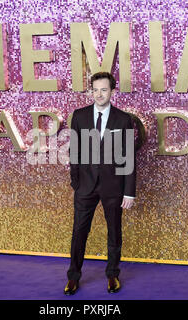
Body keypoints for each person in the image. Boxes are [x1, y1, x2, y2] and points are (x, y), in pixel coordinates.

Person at [64, 72, 136, 295]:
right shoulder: (80, 115)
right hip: (85, 186)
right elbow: (74, 150)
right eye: (95, 90)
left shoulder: (123, 119)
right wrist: (75, 182)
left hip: (113, 187)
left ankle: (112, 275)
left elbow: (128, 157)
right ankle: (73, 277)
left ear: (112, 91)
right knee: (79, 232)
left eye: (103, 90)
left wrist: (129, 192)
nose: (99, 94)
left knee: (114, 231)